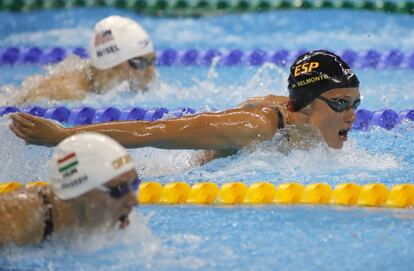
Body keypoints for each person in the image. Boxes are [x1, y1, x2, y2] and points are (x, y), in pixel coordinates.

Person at [9, 50, 361, 164]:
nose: (352, 115)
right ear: (307, 104)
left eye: (356, 104)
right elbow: (153, 132)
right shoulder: (256, 125)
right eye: (341, 103)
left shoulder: (312, 124)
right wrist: (62, 134)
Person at [0, 133, 139, 246]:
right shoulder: (17, 220)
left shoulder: (100, 218)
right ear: (80, 193)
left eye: (134, 184)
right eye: (120, 189)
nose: (134, 201)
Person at [11, 15, 156, 104]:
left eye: (152, 61)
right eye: (140, 63)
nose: (151, 72)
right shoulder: (65, 92)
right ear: (110, 65)